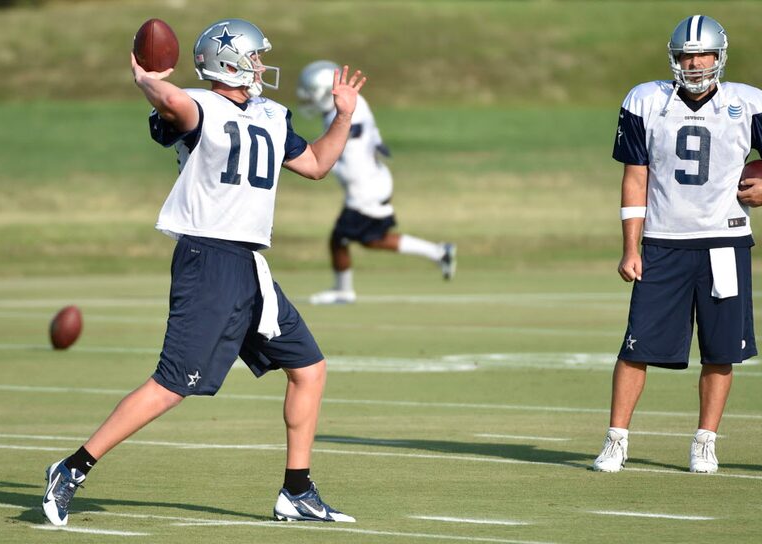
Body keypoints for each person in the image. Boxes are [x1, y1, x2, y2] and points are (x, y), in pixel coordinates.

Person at [42, 18, 364, 525]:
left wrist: (342, 117)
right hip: (208, 258)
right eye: (253, 57)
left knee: (309, 369)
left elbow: (319, 165)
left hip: (250, 264)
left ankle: (296, 491)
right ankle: (72, 468)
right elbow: (173, 104)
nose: (260, 65)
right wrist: (147, 77)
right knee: (174, 383)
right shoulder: (198, 106)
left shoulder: (271, 115)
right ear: (229, 61)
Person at [592, 14, 762, 474]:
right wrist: (631, 246)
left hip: (724, 241)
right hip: (663, 240)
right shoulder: (645, 100)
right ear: (674, 58)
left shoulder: (748, 103)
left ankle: (705, 441)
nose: (694, 63)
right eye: (686, 55)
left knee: (720, 349)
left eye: (702, 53)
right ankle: (616, 439)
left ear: (719, 56)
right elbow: (635, 178)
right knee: (636, 346)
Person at [296, 60, 456, 305]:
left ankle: (343, 291)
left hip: (365, 188)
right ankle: (438, 252)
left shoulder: (344, 116)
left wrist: (314, 163)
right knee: (372, 239)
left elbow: (347, 158)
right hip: (374, 180)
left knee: (340, 239)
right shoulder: (352, 106)